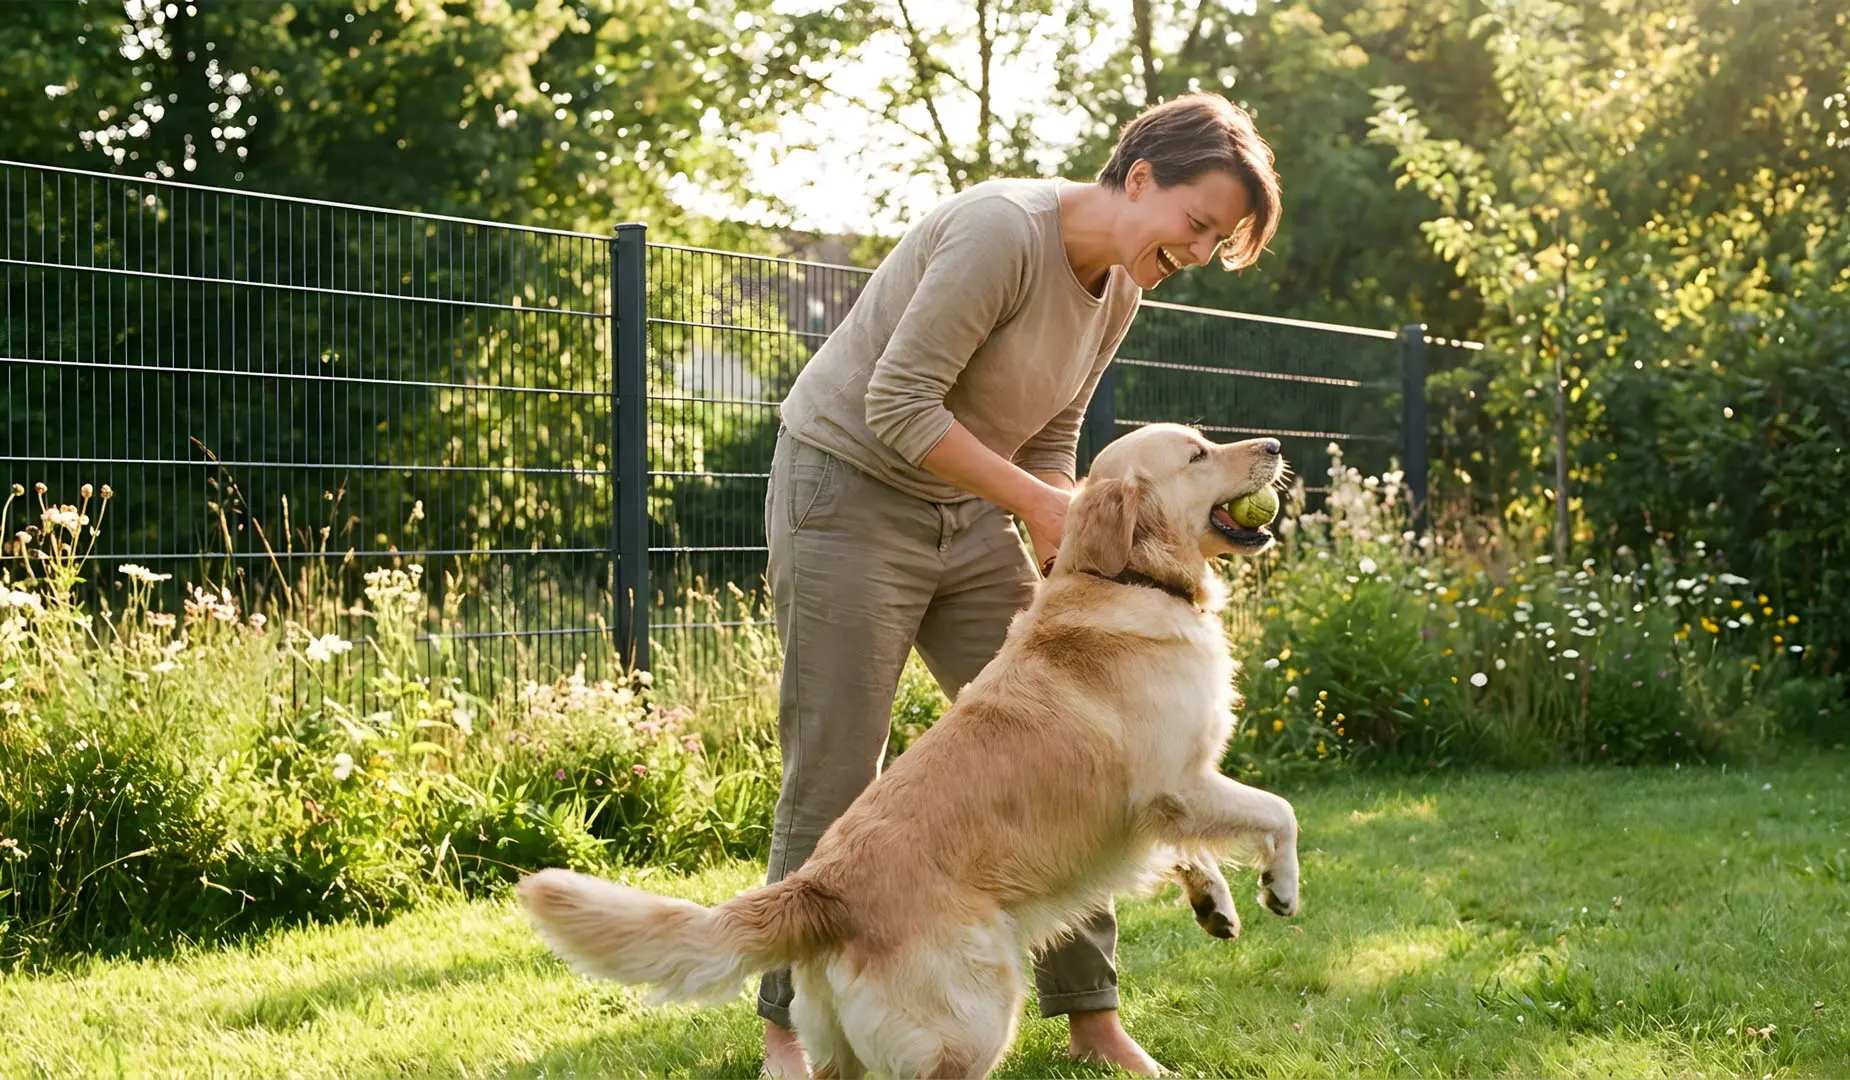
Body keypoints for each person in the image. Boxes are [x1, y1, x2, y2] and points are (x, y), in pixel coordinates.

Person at [759, 92, 1282, 1078]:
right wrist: (1042, 511)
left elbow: (1046, 441)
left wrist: (1070, 529)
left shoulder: (1120, 287)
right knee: (836, 760)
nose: (1202, 251)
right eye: (1198, 224)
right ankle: (792, 1033)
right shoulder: (999, 231)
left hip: (965, 503)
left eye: (1218, 239)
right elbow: (897, 401)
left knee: (1069, 753)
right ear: (1136, 179)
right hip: (847, 490)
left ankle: (1092, 1019)